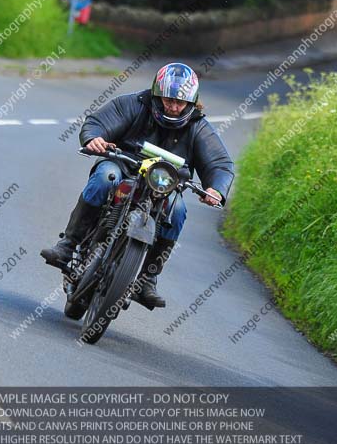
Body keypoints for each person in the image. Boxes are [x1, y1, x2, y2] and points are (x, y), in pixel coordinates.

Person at [41, 62, 234, 309]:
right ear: (156, 94)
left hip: (164, 183)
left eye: (180, 102)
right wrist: (95, 138)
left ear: (192, 102)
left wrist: (216, 189)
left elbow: (220, 163)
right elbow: (98, 122)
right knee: (103, 178)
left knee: (177, 212)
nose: (173, 107)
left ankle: (147, 279)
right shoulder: (133, 104)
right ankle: (68, 245)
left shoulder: (199, 127)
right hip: (123, 166)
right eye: (167, 100)